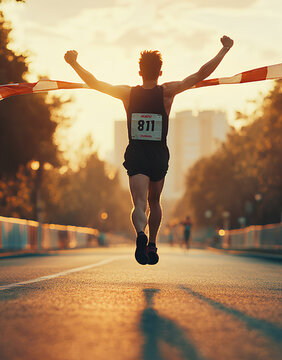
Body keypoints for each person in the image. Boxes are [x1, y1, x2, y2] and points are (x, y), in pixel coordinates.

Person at [65, 35, 233, 265]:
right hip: (158, 154)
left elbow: (95, 83)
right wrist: (224, 50)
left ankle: (141, 235)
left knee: (139, 203)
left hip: (136, 153)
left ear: (139, 72)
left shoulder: (127, 93)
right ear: (160, 72)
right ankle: (152, 244)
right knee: (155, 202)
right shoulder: (167, 92)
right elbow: (200, 74)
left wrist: (74, 63)